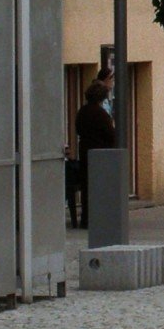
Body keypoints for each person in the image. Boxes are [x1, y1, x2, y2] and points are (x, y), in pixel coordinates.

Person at [70, 74, 115, 229]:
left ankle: (86, 218)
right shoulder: (101, 114)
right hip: (101, 154)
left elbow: (78, 129)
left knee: (87, 187)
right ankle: (98, 218)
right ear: (101, 97)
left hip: (85, 151)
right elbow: (111, 135)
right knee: (100, 188)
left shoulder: (82, 112)